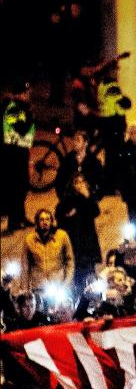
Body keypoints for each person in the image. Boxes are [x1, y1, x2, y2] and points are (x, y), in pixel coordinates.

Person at [1, 81, 34, 232]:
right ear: (20, 94)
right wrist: (30, 115)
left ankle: (20, 217)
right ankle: (13, 222)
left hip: (20, 151)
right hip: (12, 153)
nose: (29, 96)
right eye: (27, 93)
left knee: (22, 186)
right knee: (16, 187)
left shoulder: (19, 108)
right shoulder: (13, 109)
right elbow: (22, 129)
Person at [21, 209, 75, 290]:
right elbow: (25, 265)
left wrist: (67, 282)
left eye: (47, 219)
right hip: (39, 286)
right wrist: (24, 288)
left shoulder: (62, 236)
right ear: (37, 222)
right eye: (41, 220)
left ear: (51, 221)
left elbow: (70, 261)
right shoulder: (29, 240)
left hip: (58, 284)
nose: (45, 222)